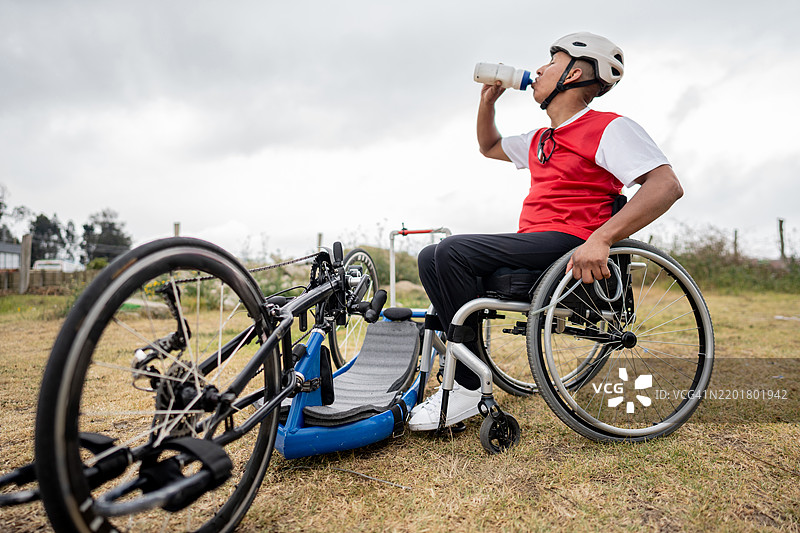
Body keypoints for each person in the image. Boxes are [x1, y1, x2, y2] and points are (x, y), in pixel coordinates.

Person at [408, 32, 684, 431]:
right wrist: (487, 104)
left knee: (449, 251)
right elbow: (490, 146)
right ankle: (468, 374)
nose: (537, 70)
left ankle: (467, 388)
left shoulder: (608, 128)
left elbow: (666, 185)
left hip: (573, 241)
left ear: (573, 73)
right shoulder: (541, 139)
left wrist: (603, 238)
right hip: (537, 243)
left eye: (550, 63)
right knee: (432, 255)